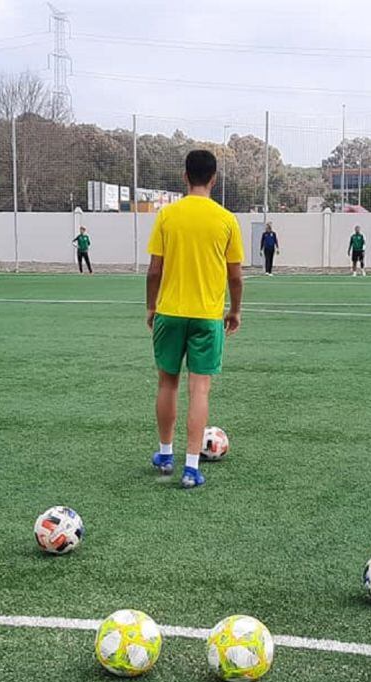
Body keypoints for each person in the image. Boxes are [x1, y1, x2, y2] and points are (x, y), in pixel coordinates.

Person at [146, 149, 243, 489]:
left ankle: (164, 454)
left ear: (184, 176)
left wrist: (150, 307)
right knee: (199, 389)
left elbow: (154, 270)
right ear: (214, 179)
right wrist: (235, 310)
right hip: (207, 316)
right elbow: (236, 277)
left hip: (169, 312)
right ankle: (190, 468)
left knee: (167, 383)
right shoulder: (226, 219)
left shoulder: (167, 216)